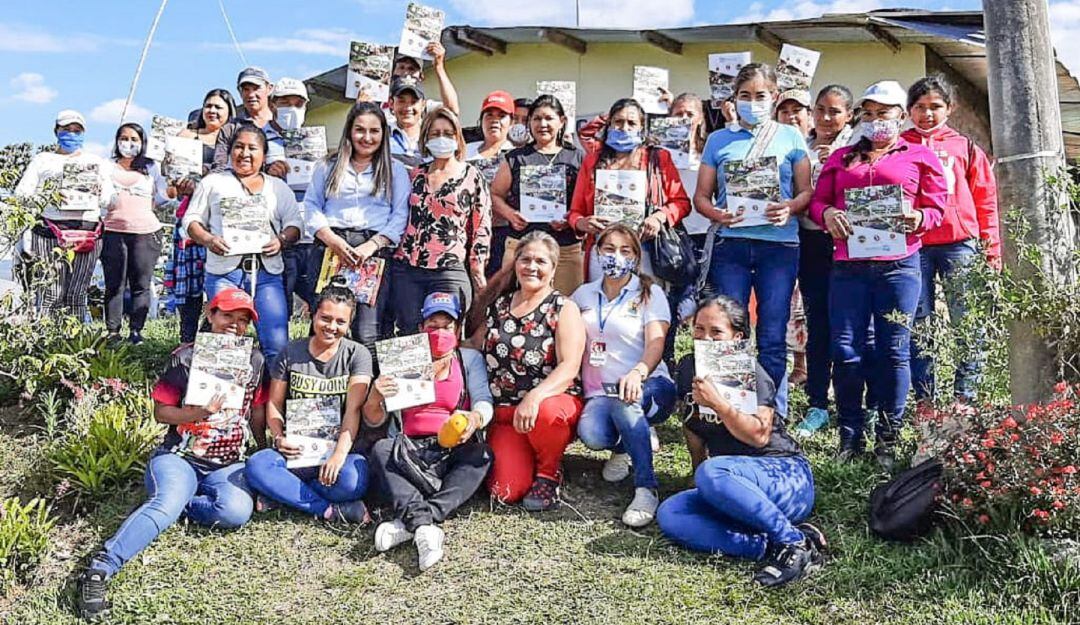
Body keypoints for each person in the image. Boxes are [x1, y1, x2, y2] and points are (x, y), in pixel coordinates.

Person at [77, 288, 266, 619]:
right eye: (227, 317)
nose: (234, 325)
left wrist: (263, 454)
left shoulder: (255, 360)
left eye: (242, 320)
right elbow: (161, 413)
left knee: (236, 512)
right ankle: (101, 567)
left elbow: (259, 412)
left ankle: (180, 505)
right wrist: (194, 414)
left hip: (226, 463)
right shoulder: (186, 357)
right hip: (180, 456)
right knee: (165, 502)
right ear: (210, 315)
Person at [809, 80, 948, 467]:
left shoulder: (920, 156)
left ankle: (888, 435)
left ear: (901, 116)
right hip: (848, 268)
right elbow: (818, 201)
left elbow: (937, 206)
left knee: (894, 351)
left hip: (900, 267)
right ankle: (850, 437)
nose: (875, 121)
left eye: (883, 113)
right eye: (867, 114)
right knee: (846, 350)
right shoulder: (842, 158)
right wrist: (827, 214)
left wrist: (918, 216)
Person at [656, 295, 824, 588]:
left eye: (716, 332)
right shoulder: (687, 367)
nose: (705, 338)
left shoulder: (752, 373)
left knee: (712, 471)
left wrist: (719, 404)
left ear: (738, 336)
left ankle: (793, 542)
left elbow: (759, 435)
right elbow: (692, 426)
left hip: (784, 476)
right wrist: (696, 475)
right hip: (732, 485)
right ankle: (768, 545)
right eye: (698, 329)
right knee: (671, 512)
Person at [693, 63, 813, 420]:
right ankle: (730, 404)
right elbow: (701, 196)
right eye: (745, 96)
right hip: (731, 246)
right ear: (734, 99)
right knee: (730, 329)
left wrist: (789, 208)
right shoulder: (719, 140)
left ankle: (771, 412)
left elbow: (807, 191)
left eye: (760, 95)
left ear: (774, 97)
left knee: (773, 332)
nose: (753, 102)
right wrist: (719, 215)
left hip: (779, 247)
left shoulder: (792, 138)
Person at [365, 292, 494, 571]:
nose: (440, 332)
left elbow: (484, 399)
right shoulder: (403, 357)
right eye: (433, 326)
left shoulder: (468, 359)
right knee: (380, 450)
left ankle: (415, 521)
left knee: (481, 455)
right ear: (422, 328)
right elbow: (374, 420)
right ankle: (425, 526)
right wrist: (376, 394)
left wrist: (475, 417)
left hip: (451, 446)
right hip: (408, 448)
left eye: (447, 326)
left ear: (457, 329)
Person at [467, 231, 585, 510]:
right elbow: (473, 344)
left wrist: (534, 397)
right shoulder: (499, 305)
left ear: (553, 269)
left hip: (549, 405)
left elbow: (570, 366)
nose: (532, 267)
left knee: (546, 413)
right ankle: (529, 453)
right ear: (516, 263)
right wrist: (433, 353)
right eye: (526, 259)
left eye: (541, 261)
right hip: (506, 414)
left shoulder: (563, 307)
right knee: (504, 492)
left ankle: (549, 471)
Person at [902, 74, 1000, 407]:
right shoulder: (900, 147)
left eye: (935, 107)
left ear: (950, 108)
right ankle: (926, 401)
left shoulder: (966, 147)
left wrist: (992, 250)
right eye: (919, 107)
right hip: (914, 247)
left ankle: (965, 396)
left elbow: (986, 200)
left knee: (967, 321)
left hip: (961, 245)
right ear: (908, 110)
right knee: (919, 324)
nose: (927, 114)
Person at [571, 225, 676, 527]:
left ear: (635, 257)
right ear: (597, 252)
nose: (616, 256)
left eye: (625, 250)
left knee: (625, 402)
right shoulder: (583, 294)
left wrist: (638, 372)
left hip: (649, 384)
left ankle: (646, 488)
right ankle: (624, 445)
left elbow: (657, 340)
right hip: (599, 392)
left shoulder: (649, 292)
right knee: (591, 434)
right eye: (609, 249)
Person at [244, 286, 373, 523]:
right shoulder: (291, 351)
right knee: (257, 465)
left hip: (337, 452)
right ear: (312, 314)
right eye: (325, 318)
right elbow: (274, 402)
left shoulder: (358, 354)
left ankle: (283, 492)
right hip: (296, 452)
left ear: (349, 323)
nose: (331, 327)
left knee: (354, 481)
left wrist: (338, 455)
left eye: (340, 321)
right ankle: (329, 509)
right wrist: (279, 437)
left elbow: (353, 410)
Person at [181, 125, 303, 364]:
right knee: (224, 340)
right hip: (225, 272)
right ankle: (219, 399)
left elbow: (295, 224)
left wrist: (281, 240)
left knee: (276, 343)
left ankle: (269, 399)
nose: (244, 153)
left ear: (264, 155)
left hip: (266, 273)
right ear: (229, 151)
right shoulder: (213, 182)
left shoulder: (278, 187)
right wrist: (208, 239)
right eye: (239, 147)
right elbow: (191, 220)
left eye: (252, 148)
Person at [304, 102, 411, 354]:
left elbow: (400, 215)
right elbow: (311, 206)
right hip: (330, 249)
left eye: (374, 131)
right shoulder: (327, 165)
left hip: (372, 252)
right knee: (325, 325)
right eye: (360, 129)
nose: (367, 137)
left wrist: (372, 245)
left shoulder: (395, 170)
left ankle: (368, 392)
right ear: (349, 131)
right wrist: (333, 240)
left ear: (383, 133)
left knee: (367, 330)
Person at [391, 106, 491, 334]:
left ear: (458, 138)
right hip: (408, 268)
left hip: (449, 269)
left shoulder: (472, 176)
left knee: (445, 335)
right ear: (425, 138)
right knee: (409, 334)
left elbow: (481, 229)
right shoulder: (415, 175)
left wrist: (478, 272)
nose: (441, 138)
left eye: (448, 133)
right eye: (435, 134)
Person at [791, 84, 856, 438]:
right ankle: (817, 403)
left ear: (849, 114)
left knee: (850, 326)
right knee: (818, 323)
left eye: (835, 111)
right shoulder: (800, 145)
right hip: (810, 239)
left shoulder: (860, 147)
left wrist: (841, 161)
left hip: (849, 244)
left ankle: (858, 406)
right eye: (821, 110)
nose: (827, 118)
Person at [567, 98, 691, 280]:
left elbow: (681, 203)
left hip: (645, 250)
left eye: (631, 123)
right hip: (603, 250)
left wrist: (659, 217)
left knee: (644, 304)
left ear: (642, 128)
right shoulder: (593, 161)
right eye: (618, 121)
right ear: (609, 125)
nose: (624, 127)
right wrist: (582, 223)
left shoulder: (658, 158)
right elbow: (575, 212)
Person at [15, 109, 116, 321]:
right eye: (66, 129)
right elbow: (22, 193)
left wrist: (98, 191)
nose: (71, 134)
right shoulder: (43, 160)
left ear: (84, 134)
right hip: (49, 233)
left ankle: (74, 342)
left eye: (77, 130)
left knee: (77, 293)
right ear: (56, 131)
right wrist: (50, 194)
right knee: (50, 292)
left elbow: (110, 200)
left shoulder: (96, 162)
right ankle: (44, 340)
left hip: (86, 233)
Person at [490, 95, 586, 296]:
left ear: (562, 121)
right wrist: (510, 214)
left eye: (549, 118)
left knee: (566, 306)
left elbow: (586, 201)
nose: (542, 124)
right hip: (521, 245)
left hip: (565, 249)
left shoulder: (577, 157)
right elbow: (495, 194)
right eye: (536, 118)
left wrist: (571, 218)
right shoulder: (516, 158)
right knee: (515, 302)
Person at [169, 89, 237, 342]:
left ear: (230, 111)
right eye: (209, 105)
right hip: (191, 220)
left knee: (220, 286)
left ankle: (215, 341)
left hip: (222, 222)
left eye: (219, 107)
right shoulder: (186, 136)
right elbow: (172, 188)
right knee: (189, 289)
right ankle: (186, 341)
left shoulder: (235, 140)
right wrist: (180, 185)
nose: (212, 111)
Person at [103, 122, 168, 345]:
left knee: (141, 283)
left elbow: (165, 195)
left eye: (134, 139)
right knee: (114, 284)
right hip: (112, 231)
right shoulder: (107, 166)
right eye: (124, 138)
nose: (128, 143)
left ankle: (136, 331)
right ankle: (112, 332)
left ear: (142, 143)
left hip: (146, 232)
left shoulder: (152, 167)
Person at [271, 77, 319, 317]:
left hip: (311, 236)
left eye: (298, 104)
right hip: (278, 236)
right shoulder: (259, 140)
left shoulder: (315, 141)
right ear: (272, 106)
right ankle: (277, 352)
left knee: (318, 300)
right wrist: (267, 174)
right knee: (279, 304)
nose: (291, 109)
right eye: (284, 103)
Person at [212, 67, 289, 182]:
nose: (251, 94)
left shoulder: (285, 122)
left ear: (269, 88)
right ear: (239, 92)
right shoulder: (230, 129)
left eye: (256, 88)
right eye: (246, 89)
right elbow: (219, 167)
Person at [388, 44, 460, 116]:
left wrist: (439, 67)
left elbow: (452, 111)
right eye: (401, 67)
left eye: (411, 69)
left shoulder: (425, 107)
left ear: (421, 77)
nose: (406, 73)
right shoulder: (380, 103)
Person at [387, 76, 428, 168]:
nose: (408, 108)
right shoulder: (381, 135)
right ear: (391, 103)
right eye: (401, 101)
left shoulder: (433, 134)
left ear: (423, 105)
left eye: (414, 102)